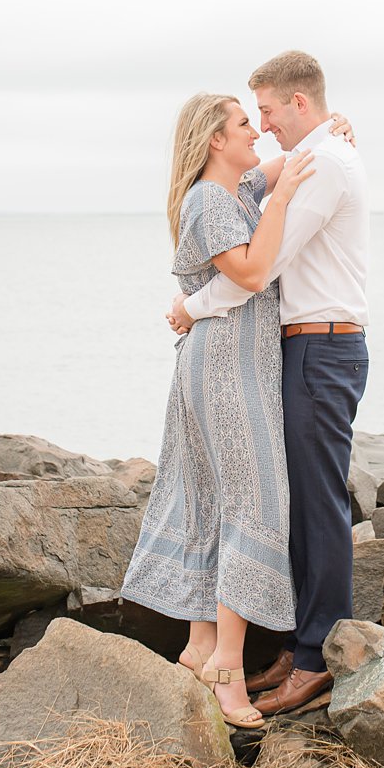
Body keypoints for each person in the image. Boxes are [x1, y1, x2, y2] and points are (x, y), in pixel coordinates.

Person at [119, 90, 353, 731]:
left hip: (235, 361)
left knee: (216, 497)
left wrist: (331, 127)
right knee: (253, 500)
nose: (258, 131)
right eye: (245, 123)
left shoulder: (240, 186)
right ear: (214, 140)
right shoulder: (209, 200)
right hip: (225, 365)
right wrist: (280, 202)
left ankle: (200, 646)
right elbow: (250, 273)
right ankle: (226, 663)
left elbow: (295, 154)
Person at [169, 50, 370, 717]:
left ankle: (315, 658)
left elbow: (264, 262)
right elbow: (257, 191)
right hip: (300, 349)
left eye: (268, 111)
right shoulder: (303, 160)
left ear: (299, 105)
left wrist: (191, 307)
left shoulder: (324, 164)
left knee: (316, 506)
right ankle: (296, 645)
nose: (263, 125)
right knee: (296, 503)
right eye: (250, 116)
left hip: (320, 348)